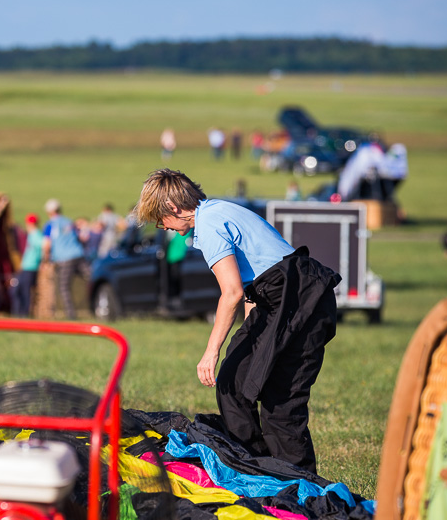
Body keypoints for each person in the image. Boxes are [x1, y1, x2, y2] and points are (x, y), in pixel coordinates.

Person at [134, 168, 340, 473]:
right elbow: (252, 286)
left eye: (159, 219)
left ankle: (299, 485)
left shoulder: (210, 223)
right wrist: (249, 339)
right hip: (279, 298)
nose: (162, 227)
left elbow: (230, 292)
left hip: (301, 300)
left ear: (174, 208)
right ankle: (255, 467)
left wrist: (210, 352)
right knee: (234, 382)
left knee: (280, 401)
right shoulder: (216, 213)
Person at [42, 199, 88, 319]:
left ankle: (71, 315)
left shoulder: (50, 225)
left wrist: (46, 260)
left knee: (64, 287)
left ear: (49, 212)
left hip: (64, 260)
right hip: (79, 256)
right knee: (91, 279)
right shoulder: (69, 222)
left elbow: (47, 245)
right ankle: (96, 307)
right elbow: (81, 239)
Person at [10, 213, 44, 316]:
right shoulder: (31, 235)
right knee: (17, 290)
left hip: (31, 267)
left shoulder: (36, 235)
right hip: (25, 267)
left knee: (25, 291)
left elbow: (45, 246)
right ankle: (18, 312)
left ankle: (24, 313)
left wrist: (43, 261)